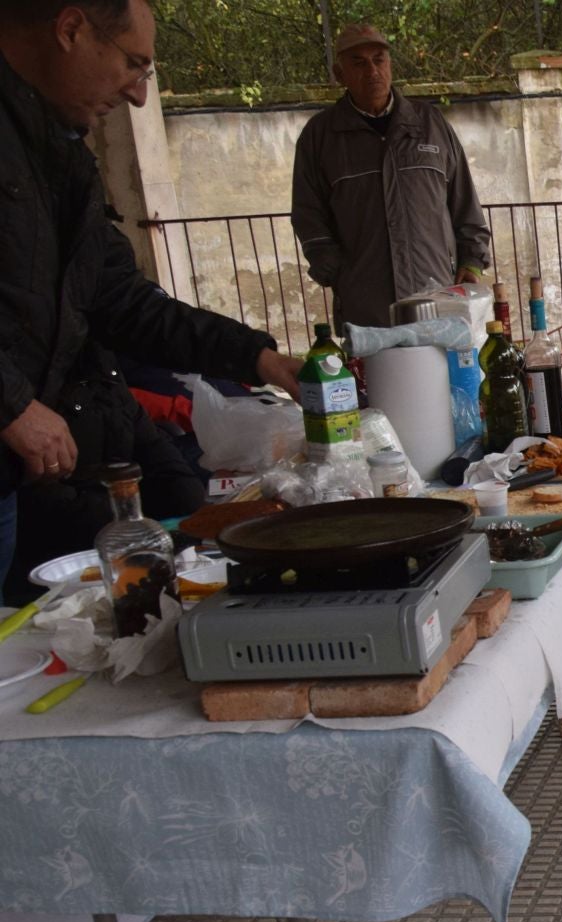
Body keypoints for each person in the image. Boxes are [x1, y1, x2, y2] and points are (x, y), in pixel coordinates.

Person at [0, 0, 300, 596]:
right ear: (71, 29)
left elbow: (122, 300)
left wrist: (258, 359)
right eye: (133, 65)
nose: (138, 95)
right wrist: (12, 404)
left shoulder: (58, 148)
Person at [291, 24, 491, 330]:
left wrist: (471, 260)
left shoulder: (430, 124)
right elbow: (308, 214)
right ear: (339, 74)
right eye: (358, 62)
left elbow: (464, 201)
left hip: (437, 295)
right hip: (366, 305)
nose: (372, 70)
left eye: (379, 59)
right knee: (376, 378)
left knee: (441, 377)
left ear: (390, 64)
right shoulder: (321, 137)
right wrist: (335, 270)